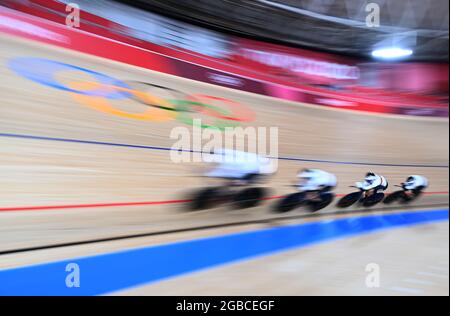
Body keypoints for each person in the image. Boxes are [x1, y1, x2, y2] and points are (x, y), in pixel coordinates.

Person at [204, 148, 276, 186]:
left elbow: (244, 180)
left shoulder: (257, 167)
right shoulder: (257, 162)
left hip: (252, 171)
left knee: (240, 181)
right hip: (251, 170)